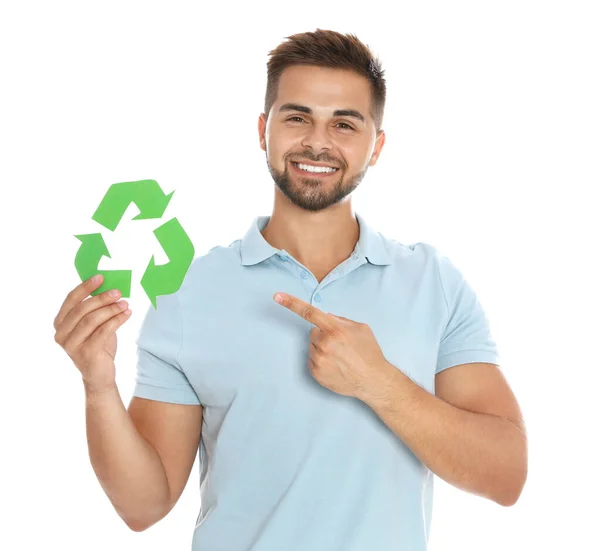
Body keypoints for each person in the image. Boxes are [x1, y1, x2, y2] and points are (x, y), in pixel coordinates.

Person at [53, 28, 527, 551]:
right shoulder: (189, 291)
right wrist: (98, 387)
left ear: (377, 145)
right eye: (297, 117)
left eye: (344, 124)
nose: (318, 142)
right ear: (263, 130)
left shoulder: (433, 282)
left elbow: (506, 475)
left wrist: (379, 383)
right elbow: (145, 506)